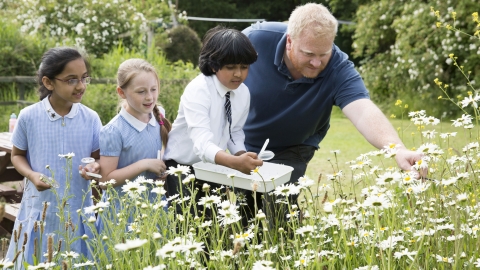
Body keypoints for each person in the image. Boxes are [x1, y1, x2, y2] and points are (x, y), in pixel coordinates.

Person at [241, 3, 423, 222]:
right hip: (241, 142)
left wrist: (398, 150)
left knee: (277, 209)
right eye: (308, 54)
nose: (317, 62)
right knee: (245, 211)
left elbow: (363, 110)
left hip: (294, 145)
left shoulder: (338, 67)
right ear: (290, 41)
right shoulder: (254, 40)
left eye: (323, 54)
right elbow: (214, 78)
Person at [4, 47, 102, 267]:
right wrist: (31, 174)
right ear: (48, 82)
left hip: (79, 209)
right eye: (71, 80)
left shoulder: (92, 119)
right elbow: (17, 155)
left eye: (84, 78)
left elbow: (99, 158)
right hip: (39, 209)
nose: (81, 86)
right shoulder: (29, 116)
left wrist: (95, 167)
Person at [163, 26, 263, 219]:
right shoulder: (199, 90)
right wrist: (234, 162)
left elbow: (234, 131)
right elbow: (202, 143)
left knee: (219, 226)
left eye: (244, 67)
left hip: (213, 165)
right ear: (214, 65)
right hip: (181, 168)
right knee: (189, 227)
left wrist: (242, 155)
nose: (239, 74)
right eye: (231, 67)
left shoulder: (242, 93)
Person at [96, 58, 171, 233]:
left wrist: (161, 171)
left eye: (153, 89)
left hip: (154, 208)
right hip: (122, 213)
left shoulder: (159, 117)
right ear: (122, 92)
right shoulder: (114, 130)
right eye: (141, 92)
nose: (149, 97)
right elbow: (106, 180)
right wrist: (144, 164)